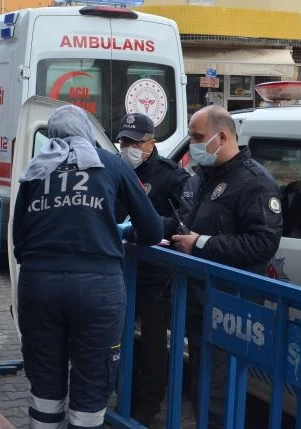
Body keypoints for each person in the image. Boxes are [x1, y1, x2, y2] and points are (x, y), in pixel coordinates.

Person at [12, 105, 163, 429]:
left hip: (40, 285)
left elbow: (18, 237)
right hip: (98, 289)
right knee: (93, 383)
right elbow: (152, 230)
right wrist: (125, 232)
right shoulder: (112, 164)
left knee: (46, 384)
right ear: (88, 133)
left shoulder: (34, 169)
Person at [167, 105, 283, 429]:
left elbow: (262, 243)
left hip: (233, 307)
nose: (192, 144)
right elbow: (185, 223)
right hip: (200, 300)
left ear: (222, 136)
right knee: (203, 388)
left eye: (197, 137)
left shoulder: (254, 183)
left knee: (218, 395)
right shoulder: (204, 178)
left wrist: (201, 244)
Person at [114, 112, 190, 427]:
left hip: (155, 275)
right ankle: (123, 394)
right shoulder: (116, 169)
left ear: (151, 142)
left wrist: (150, 226)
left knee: (154, 343)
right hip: (120, 268)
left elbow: (185, 221)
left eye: (136, 141)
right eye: (125, 141)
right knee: (118, 336)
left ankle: (147, 405)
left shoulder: (171, 176)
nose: (129, 147)